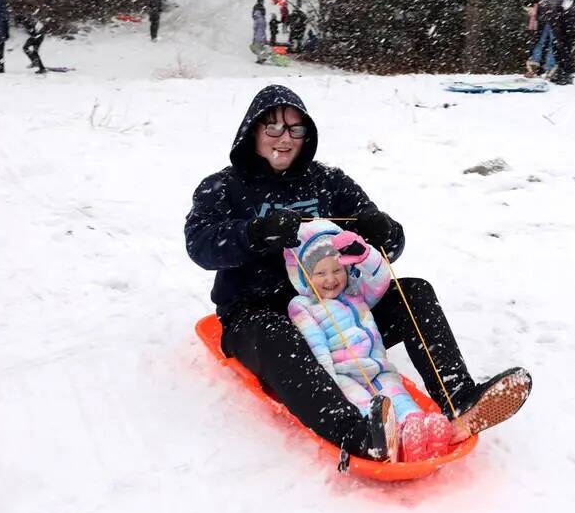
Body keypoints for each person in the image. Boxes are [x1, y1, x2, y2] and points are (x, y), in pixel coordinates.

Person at [184, 85, 533, 462]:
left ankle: (458, 396)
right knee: (278, 336)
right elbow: (200, 245)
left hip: (338, 309)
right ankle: (360, 432)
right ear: (252, 130)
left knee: (414, 293)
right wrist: (254, 233)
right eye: (273, 128)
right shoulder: (223, 187)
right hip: (258, 315)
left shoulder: (328, 182)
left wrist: (384, 232)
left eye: (295, 129)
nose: (284, 139)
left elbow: (387, 245)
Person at [285, 220, 453, 462]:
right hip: (343, 375)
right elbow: (315, 346)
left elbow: (380, 278)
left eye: (337, 270)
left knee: (400, 398)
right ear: (304, 275)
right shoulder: (302, 306)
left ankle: (420, 432)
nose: (330, 279)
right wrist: (328, 383)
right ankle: (384, 437)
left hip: (377, 367)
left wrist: (364, 255)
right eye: (320, 273)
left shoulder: (356, 293)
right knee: (365, 405)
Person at [535, 0, 575, 85]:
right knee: (565, 45)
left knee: (554, 44)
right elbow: (571, 2)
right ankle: (564, 73)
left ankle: (554, 70)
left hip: (550, 18)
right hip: (567, 19)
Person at [251, 0, 268, 64]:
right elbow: (262, 27)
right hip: (261, 35)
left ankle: (260, 59)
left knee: (258, 46)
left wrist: (255, 37)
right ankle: (262, 57)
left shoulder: (257, 19)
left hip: (259, 35)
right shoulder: (261, 18)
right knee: (261, 46)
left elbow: (256, 28)